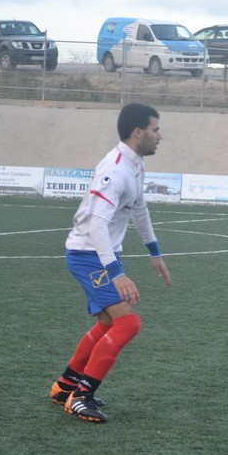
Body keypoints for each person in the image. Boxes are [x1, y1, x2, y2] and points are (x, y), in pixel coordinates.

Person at [49, 103, 172, 423]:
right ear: (138, 133)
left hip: (101, 254)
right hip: (88, 254)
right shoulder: (115, 170)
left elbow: (139, 209)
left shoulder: (135, 165)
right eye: (156, 130)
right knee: (128, 324)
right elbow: (97, 224)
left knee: (107, 323)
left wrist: (154, 252)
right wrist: (115, 272)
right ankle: (81, 397)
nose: (160, 136)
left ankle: (65, 387)